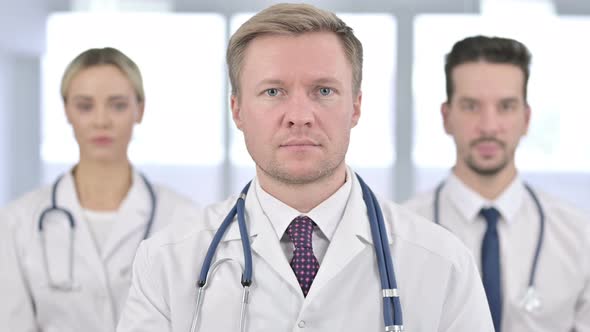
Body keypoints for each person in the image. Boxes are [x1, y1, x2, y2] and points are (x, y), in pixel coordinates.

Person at [116, 4, 494, 332]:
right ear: (237, 110)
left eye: (323, 91)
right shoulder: (167, 262)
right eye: (273, 92)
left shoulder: (442, 263)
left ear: (356, 107)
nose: (299, 116)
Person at [0, 47, 201, 332]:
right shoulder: (16, 222)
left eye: (117, 105)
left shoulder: (184, 219)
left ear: (139, 110)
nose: (101, 121)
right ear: (67, 111)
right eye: (85, 106)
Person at [404, 35, 590, 332]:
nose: (489, 126)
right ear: (446, 116)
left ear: (526, 118)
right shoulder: (398, 234)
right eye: (471, 106)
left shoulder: (579, 237)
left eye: (505, 106)